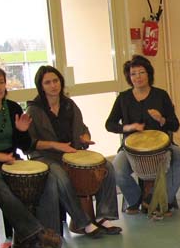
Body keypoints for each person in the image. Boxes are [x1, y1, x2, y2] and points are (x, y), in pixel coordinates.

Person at [27, 65, 121, 237]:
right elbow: (30, 143)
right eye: (47, 82)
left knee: (107, 166)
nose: (53, 85)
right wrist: (56, 145)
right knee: (61, 177)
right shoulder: (34, 109)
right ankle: (82, 221)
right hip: (46, 157)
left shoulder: (69, 105)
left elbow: (82, 128)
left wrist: (84, 137)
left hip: (72, 153)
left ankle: (104, 216)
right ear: (41, 86)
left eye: (55, 81)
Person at [0, 65, 62, 248]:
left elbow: (24, 146)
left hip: (10, 161)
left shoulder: (12, 108)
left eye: (1, 82)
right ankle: (39, 234)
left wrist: (22, 132)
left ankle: (50, 234)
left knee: (47, 178)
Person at [106, 55, 180, 217]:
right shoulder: (123, 98)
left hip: (161, 148)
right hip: (131, 150)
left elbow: (175, 125)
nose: (137, 77)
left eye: (141, 72)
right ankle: (137, 199)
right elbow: (109, 124)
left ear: (149, 74)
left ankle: (161, 198)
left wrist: (161, 119)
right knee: (116, 169)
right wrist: (128, 127)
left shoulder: (161, 95)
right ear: (129, 77)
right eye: (133, 74)